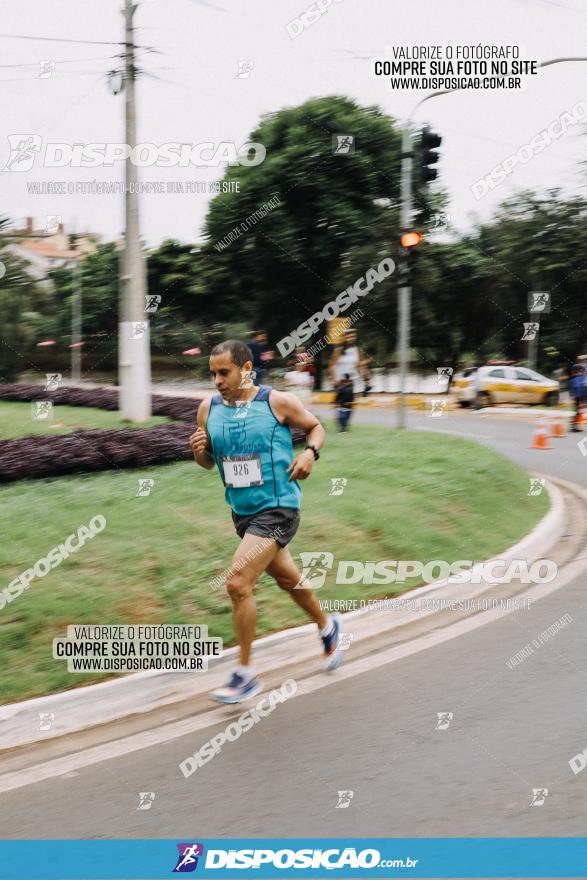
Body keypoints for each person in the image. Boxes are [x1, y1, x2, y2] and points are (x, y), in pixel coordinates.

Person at [189, 339, 344, 703]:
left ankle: (244, 674)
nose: (217, 381)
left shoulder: (277, 402)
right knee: (289, 579)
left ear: (246, 369)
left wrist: (310, 453)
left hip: (279, 508)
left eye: (223, 372)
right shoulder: (207, 409)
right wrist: (200, 453)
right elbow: (210, 463)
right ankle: (328, 625)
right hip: (242, 513)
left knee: (238, 583)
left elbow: (316, 427)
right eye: (212, 374)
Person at [569, 363, 585, 432]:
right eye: (581, 371)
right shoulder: (577, 379)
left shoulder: (574, 379)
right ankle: (574, 426)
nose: (582, 372)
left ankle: (574, 426)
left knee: (577, 412)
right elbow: (577, 388)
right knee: (577, 412)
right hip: (578, 398)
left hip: (578, 398)